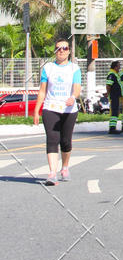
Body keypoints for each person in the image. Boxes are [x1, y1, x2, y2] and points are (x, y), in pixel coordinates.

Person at [33, 39, 81, 185]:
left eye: (64, 48)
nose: (61, 51)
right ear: (55, 51)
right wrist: (36, 111)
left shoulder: (74, 68)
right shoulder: (48, 68)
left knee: (65, 141)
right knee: (52, 139)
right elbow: (42, 91)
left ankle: (65, 167)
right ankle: (52, 173)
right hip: (50, 108)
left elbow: (77, 88)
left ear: (69, 51)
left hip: (68, 110)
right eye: (58, 48)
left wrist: (73, 97)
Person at [106, 60, 123, 134]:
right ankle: (112, 128)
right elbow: (108, 85)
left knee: (116, 112)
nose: (119, 67)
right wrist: (108, 93)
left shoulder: (115, 74)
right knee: (114, 112)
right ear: (115, 67)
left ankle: (113, 127)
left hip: (116, 95)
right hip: (114, 96)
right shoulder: (111, 74)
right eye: (118, 66)